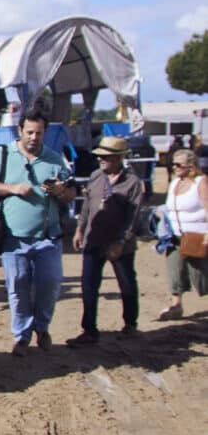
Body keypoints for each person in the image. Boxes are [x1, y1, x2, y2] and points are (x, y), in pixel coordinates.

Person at [0, 110, 75, 357]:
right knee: (18, 288)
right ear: (20, 131)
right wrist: (12, 188)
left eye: (39, 132)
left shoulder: (54, 159)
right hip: (14, 238)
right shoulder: (3, 155)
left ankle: (42, 327)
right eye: (30, 132)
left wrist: (60, 191)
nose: (34, 137)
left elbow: (71, 192)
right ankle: (21, 336)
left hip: (48, 237)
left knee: (50, 284)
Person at [67, 137, 144, 345]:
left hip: (120, 243)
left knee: (127, 285)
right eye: (100, 155)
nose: (100, 159)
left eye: (106, 156)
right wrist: (80, 229)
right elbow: (87, 207)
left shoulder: (132, 183)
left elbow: (133, 217)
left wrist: (121, 242)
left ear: (119, 158)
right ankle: (89, 330)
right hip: (94, 239)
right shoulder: (95, 177)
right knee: (89, 285)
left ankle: (130, 324)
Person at [156, 148, 208, 320]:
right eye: (173, 164)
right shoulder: (174, 183)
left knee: (201, 274)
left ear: (191, 166)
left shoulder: (201, 181)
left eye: (179, 164)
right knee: (174, 269)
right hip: (175, 236)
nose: (174, 167)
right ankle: (176, 305)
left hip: (197, 236)